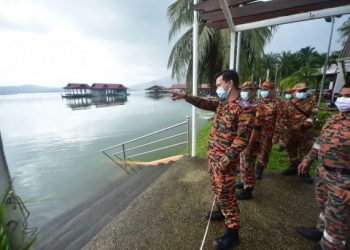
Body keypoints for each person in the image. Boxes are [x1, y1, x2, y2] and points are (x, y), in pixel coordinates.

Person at [171, 70, 250, 250]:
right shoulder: (223, 103)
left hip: (225, 161)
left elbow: (242, 138)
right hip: (214, 157)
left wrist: (226, 159)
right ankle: (222, 213)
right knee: (218, 190)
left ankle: (233, 232)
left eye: (219, 85)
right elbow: (205, 103)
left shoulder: (244, 107)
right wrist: (187, 96)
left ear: (230, 83)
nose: (217, 89)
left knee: (227, 194)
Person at [297, 83, 350, 250]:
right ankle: (321, 230)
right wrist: (307, 160)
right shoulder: (334, 118)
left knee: (337, 218)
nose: (342, 99)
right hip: (324, 172)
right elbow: (320, 142)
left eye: (347, 96)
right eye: (341, 95)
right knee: (323, 204)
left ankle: (330, 245)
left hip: (343, 180)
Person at [275, 83, 315, 183]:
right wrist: (282, 130)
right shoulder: (287, 104)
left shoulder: (310, 102)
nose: (302, 93)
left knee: (305, 153)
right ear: (294, 92)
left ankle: (304, 172)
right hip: (291, 133)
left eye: (304, 91)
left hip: (305, 133)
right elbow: (281, 117)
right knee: (291, 151)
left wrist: (303, 125)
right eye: (300, 91)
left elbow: (313, 117)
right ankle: (293, 167)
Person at [251, 81, 282, 179]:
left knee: (264, 153)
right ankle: (248, 171)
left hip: (268, 134)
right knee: (250, 151)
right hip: (254, 132)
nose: (263, 91)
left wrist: (276, 136)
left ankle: (259, 169)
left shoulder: (278, 104)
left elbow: (280, 121)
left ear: (272, 90)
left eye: (266, 89)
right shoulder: (257, 102)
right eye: (262, 89)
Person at [235, 81, 258, 200]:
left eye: (247, 89)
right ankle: (243, 181)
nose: (244, 92)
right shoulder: (245, 104)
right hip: (243, 140)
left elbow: (256, 128)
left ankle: (248, 190)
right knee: (243, 163)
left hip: (251, 141)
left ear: (253, 91)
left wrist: (249, 144)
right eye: (243, 89)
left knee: (248, 165)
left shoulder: (256, 106)